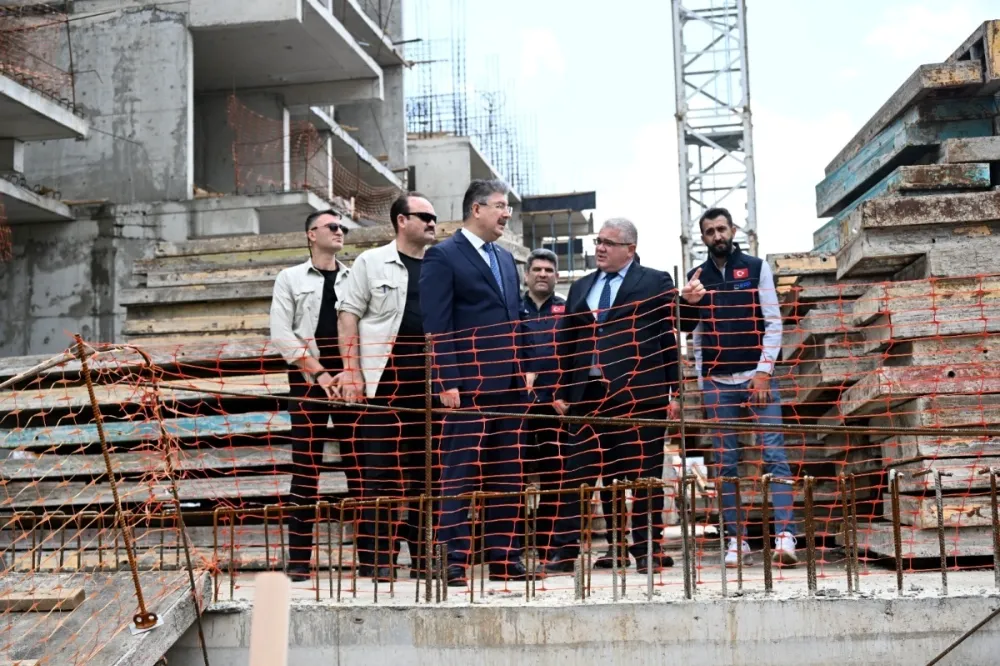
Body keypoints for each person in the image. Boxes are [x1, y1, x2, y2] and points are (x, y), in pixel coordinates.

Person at [543, 218, 679, 575]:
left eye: (609, 243)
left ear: (630, 249)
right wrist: (559, 389)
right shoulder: (581, 287)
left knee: (644, 478)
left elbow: (671, 334)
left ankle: (647, 549)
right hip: (587, 397)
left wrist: (675, 391)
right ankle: (565, 551)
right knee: (576, 476)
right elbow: (566, 342)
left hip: (639, 397)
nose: (600, 248)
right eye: (598, 241)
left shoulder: (654, 282)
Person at [420, 179, 535, 586]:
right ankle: (450, 560)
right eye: (500, 206)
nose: (506, 214)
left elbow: (516, 316)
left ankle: (504, 558)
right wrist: (446, 380)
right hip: (467, 388)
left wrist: (526, 365)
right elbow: (436, 325)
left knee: (509, 476)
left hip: (510, 387)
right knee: (460, 475)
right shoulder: (443, 256)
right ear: (477, 209)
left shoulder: (504, 258)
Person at [680, 207, 797, 567]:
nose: (717, 236)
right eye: (710, 231)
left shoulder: (757, 268)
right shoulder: (697, 278)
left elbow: (773, 322)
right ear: (703, 237)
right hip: (718, 382)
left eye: (722, 228)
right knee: (726, 464)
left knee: (774, 454)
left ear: (732, 230)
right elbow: (696, 336)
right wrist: (702, 382)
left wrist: (764, 372)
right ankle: (736, 540)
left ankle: (785, 536)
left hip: (755, 377)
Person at [336, 192, 438, 582]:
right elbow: (348, 315)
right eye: (423, 216)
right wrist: (352, 371)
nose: (432, 222)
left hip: (430, 381)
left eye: (433, 216)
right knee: (379, 472)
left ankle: (424, 557)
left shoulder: (439, 265)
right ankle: (379, 559)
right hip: (384, 379)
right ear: (401, 220)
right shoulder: (371, 262)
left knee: (429, 472)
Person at [269, 209, 359, 581]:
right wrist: (319, 372)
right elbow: (281, 333)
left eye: (342, 227)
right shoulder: (289, 278)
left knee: (360, 470)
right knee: (306, 471)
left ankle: (371, 560)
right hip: (308, 384)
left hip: (352, 384)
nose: (340, 231)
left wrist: (350, 373)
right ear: (311, 234)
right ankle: (299, 563)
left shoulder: (355, 277)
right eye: (332, 226)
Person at [518, 248, 567, 563]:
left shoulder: (567, 309)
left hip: (554, 404)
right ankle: (514, 545)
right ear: (526, 274)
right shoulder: (512, 309)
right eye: (536, 269)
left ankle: (549, 545)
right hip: (516, 405)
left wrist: (562, 392)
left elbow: (575, 354)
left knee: (555, 474)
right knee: (514, 473)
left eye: (548, 270)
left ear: (556, 276)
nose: (542, 274)